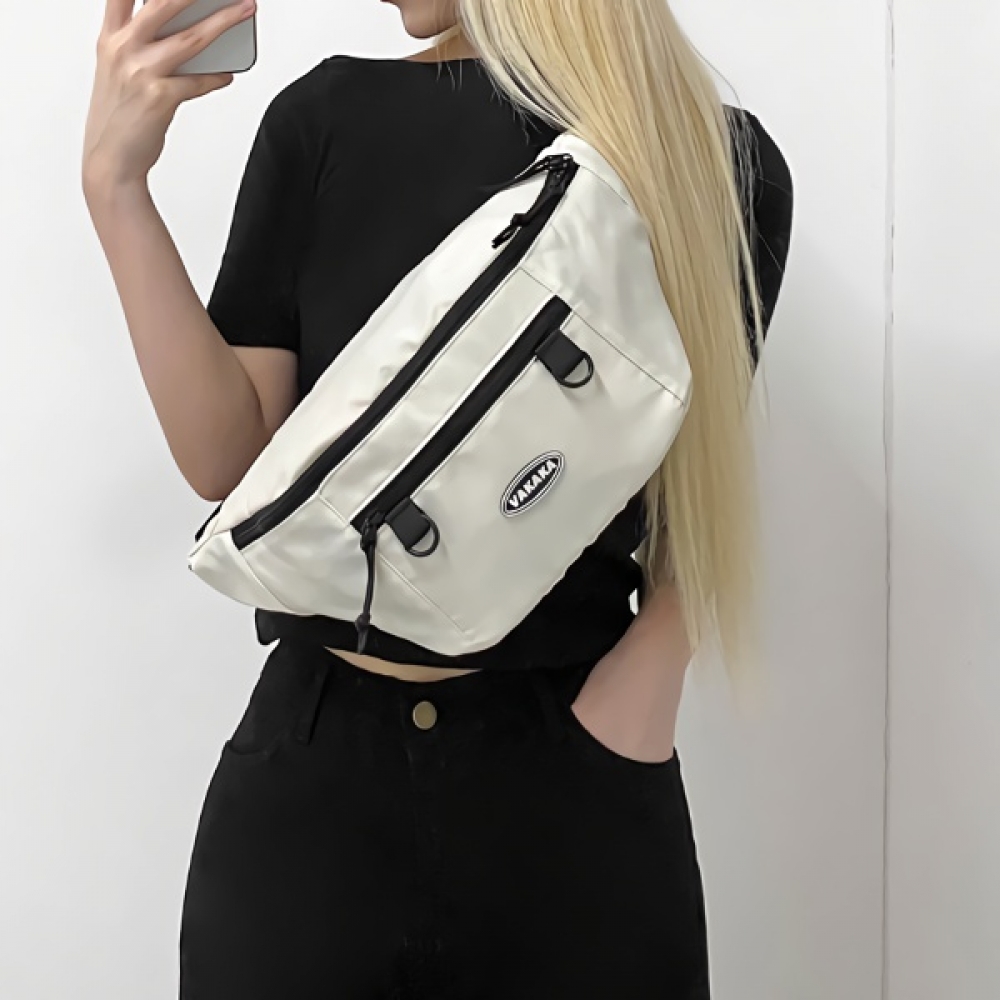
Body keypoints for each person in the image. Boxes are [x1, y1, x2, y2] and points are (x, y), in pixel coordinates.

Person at [83, 0, 794, 996]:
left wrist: (641, 695)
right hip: (316, 799)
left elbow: (696, 467)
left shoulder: (709, 160)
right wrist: (117, 189)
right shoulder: (322, 120)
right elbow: (230, 464)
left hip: (575, 785)